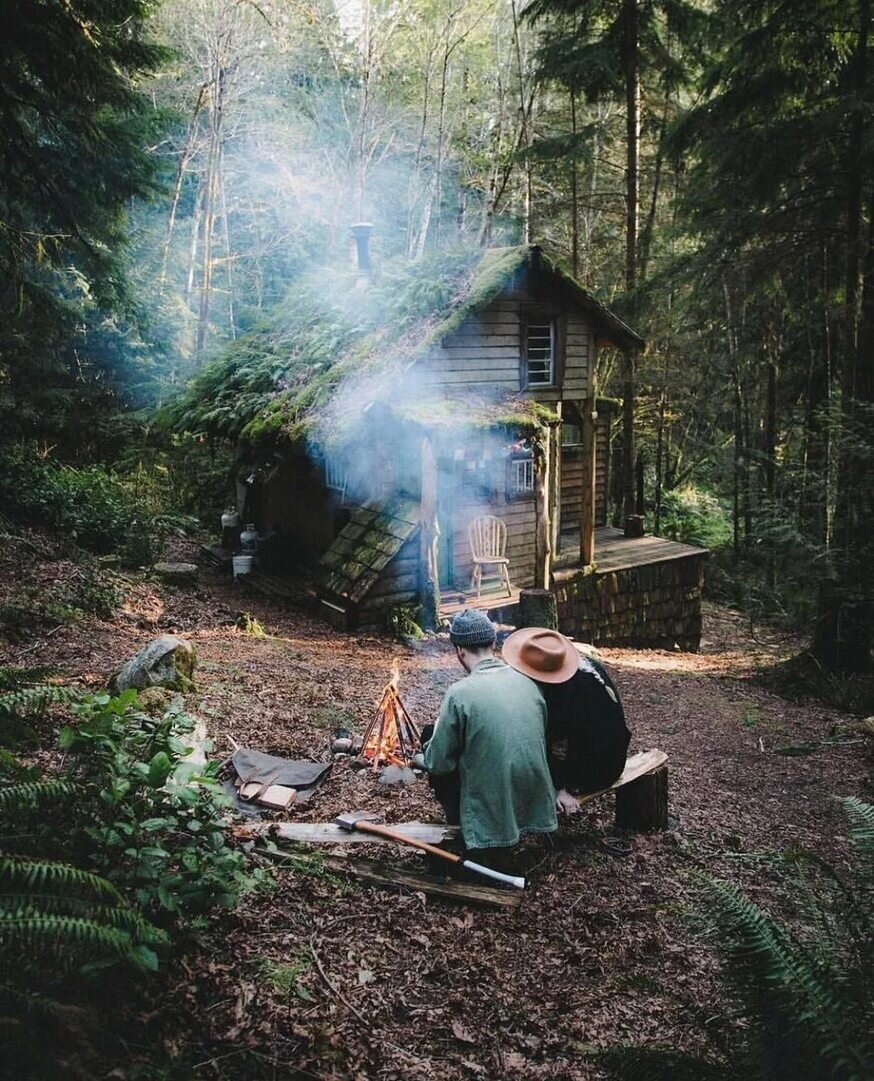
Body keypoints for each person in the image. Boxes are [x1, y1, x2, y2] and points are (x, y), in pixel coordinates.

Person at [422, 609, 557, 868]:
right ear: (494, 644)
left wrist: (428, 751)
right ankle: (525, 820)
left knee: (431, 738)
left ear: (459, 650)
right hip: (534, 789)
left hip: (495, 795)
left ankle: (470, 829)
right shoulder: (528, 681)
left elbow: (439, 764)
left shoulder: (459, 693)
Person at [502, 628, 631, 816]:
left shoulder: (563, 696)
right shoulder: (583, 667)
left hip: (600, 769)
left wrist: (560, 788)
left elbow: (560, 747)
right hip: (614, 753)